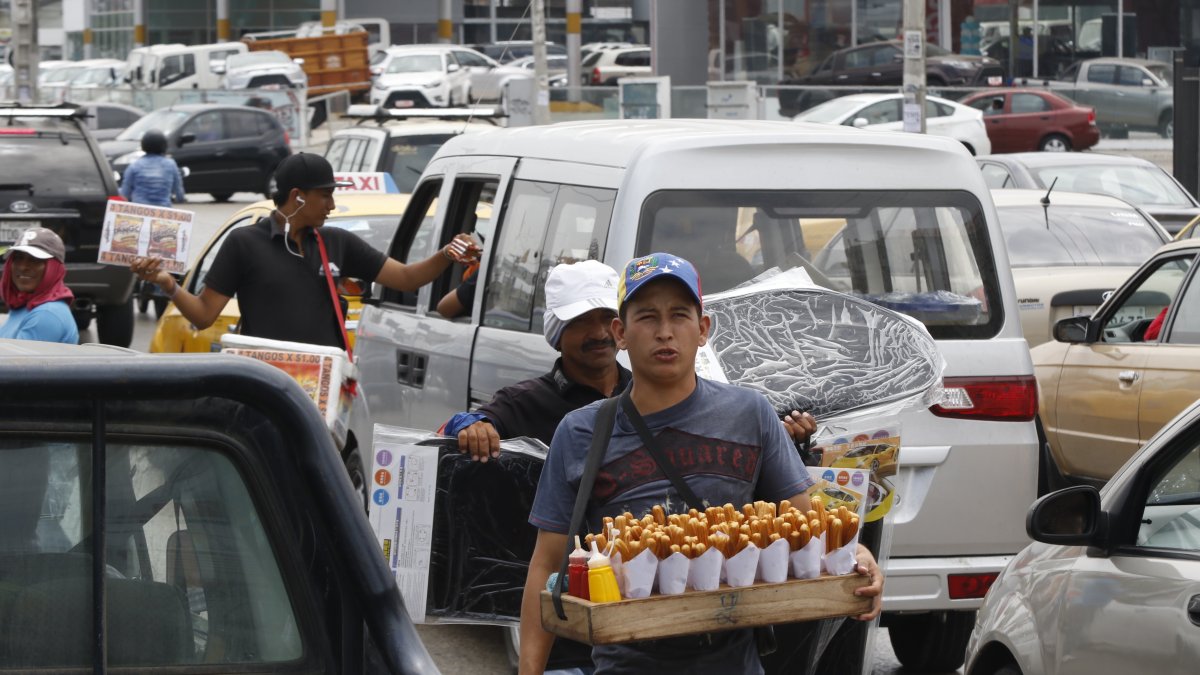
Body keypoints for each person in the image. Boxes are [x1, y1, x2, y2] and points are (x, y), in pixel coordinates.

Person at [518, 253, 883, 674]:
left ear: (703, 329)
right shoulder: (581, 432)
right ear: (620, 333)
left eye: (679, 315)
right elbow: (546, 563)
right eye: (647, 317)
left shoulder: (751, 414)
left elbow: (806, 528)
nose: (665, 332)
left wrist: (857, 554)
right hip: (626, 664)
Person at [130, 153, 480, 349]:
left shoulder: (336, 242)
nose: (332, 204)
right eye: (325, 195)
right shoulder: (244, 243)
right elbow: (204, 314)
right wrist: (168, 284)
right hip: (266, 384)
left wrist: (446, 254)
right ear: (298, 195)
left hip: (322, 383)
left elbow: (405, 278)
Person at [0, 227, 79, 344]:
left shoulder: (46, 314)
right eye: (18, 258)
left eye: (35, 260)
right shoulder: (25, 305)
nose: (23, 267)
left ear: (54, 268)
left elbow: (14, 361)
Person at [119, 129, 185, 207]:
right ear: (164, 146)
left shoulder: (134, 166)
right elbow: (180, 195)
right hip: (163, 211)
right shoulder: (171, 165)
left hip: (139, 211)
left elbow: (124, 194)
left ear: (143, 145)